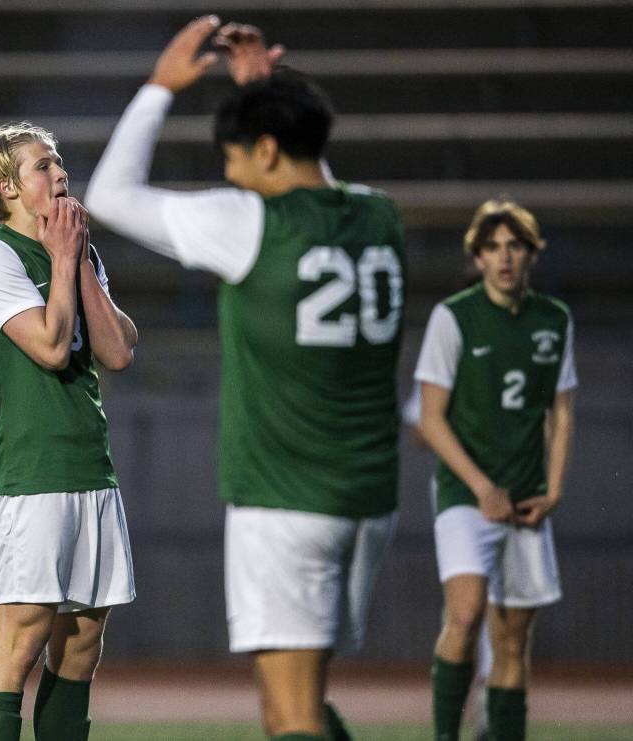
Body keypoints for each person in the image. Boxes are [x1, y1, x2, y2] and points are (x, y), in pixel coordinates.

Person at [87, 17, 406, 741]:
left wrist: (159, 88)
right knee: (297, 703)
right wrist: (270, 94)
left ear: (264, 148)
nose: (229, 174)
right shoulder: (379, 214)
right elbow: (309, 156)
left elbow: (111, 193)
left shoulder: (251, 222)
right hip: (366, 495)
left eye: (236, 156)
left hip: (285, 497)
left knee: (291, 717)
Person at [0, 122, 138, 741]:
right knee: (21, 639)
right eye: (44, 166)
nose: (60, 173)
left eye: (60, 162)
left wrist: (78, 257)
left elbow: (117, 352)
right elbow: (51, 346)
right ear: (7, 187)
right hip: (33, 474)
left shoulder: (77, 251)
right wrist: (64, 259)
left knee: (83, 644)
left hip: (91, 467)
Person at [415, 199, 576, 741]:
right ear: (477, 257)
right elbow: (431, 419)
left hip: (527, 499)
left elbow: (562, 409)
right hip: (466, 494)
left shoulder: (554, 319)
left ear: (532, 253)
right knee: (464, 615)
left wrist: (553, 490)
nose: (504, 257)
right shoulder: (454, 316)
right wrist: (482, 486)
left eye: (514, 246)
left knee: (512, 639)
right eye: (492, 247)